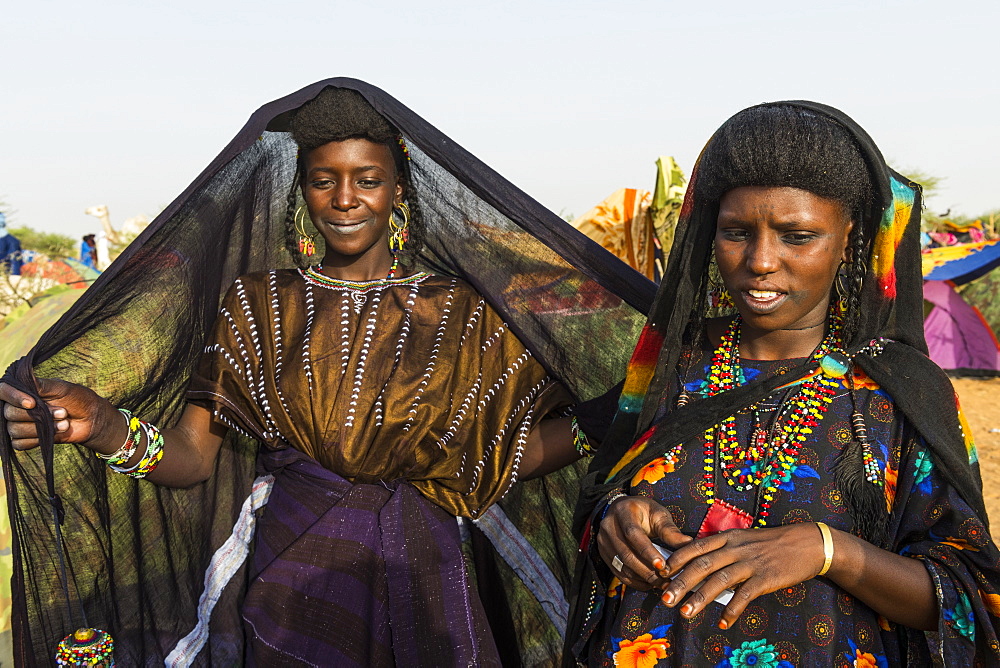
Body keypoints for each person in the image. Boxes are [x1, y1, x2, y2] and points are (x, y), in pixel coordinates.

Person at [0, 83, 650, 666]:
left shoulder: (459, 312)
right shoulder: (257, 306)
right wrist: (107, 425)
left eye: (366, 179)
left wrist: (622, 421)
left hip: (424, 573)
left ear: (398, 187)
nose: (344, 199)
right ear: (301, 188)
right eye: (323, 179)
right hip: (294, 576)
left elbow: (501, 459)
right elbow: (195, 456)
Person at [566, 102, 1000, 666]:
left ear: (849, 239)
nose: (761, 260)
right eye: (736, 232)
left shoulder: (899, 396)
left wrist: (828, 550)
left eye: (797, 236)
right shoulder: (672, 367)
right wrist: (614, 517)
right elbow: (597, 475)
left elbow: (970, 601)